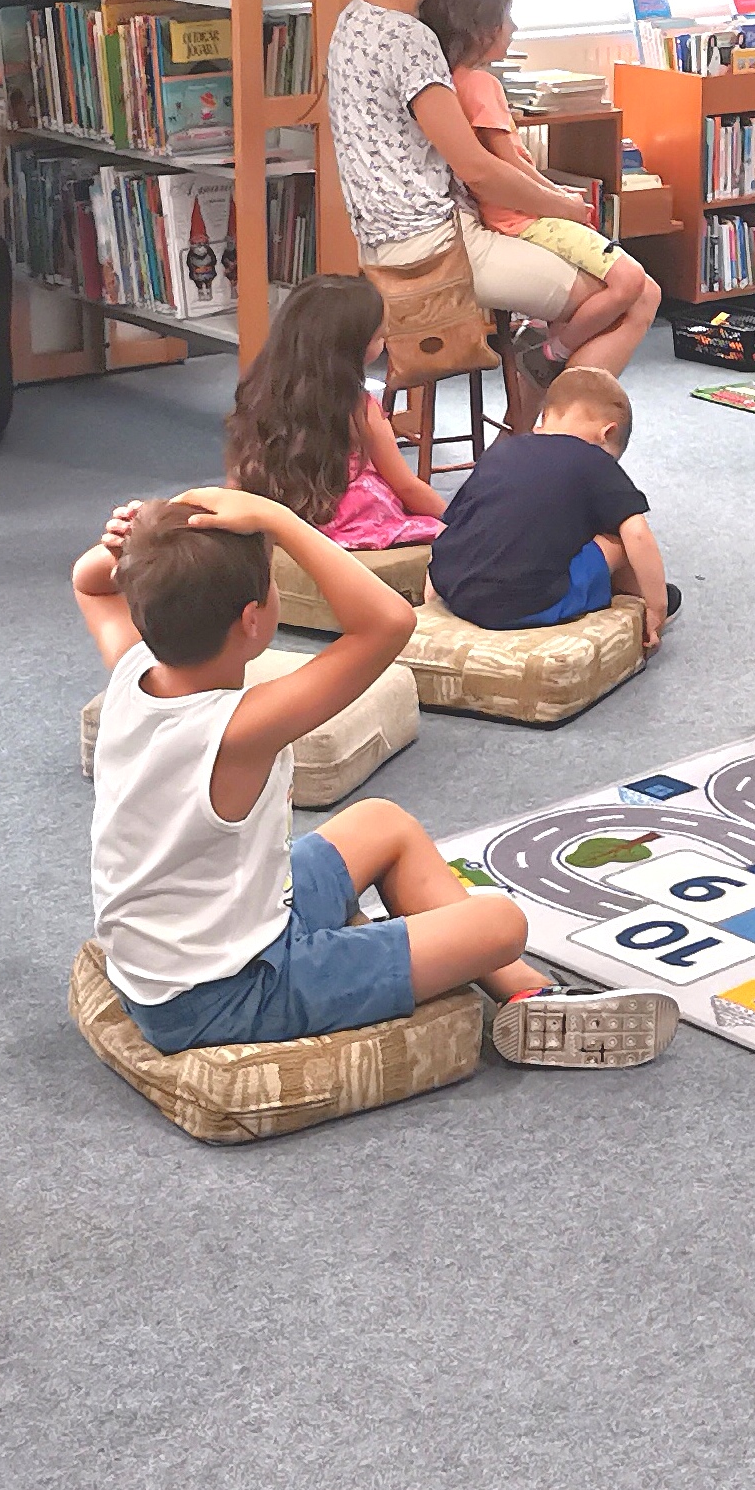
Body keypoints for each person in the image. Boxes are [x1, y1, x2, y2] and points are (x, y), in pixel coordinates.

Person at [72, 489, 678, 1069]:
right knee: (502, 925)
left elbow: (88, 582)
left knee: (381, 822)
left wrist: (136, 546)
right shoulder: (240, 729)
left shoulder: (133, 669)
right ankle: (483, 976)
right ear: (253, 620)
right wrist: (280, 520)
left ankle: (527, 996)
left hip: (188, 951)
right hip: (229, 991)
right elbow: (388, 623)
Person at [326, 0, 662, 379]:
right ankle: (554, 420)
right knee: (635, 294)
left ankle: (530, 408)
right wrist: (563, 206)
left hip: (385, 244)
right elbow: (478, 170)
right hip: (438, 249)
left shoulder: (355, 18)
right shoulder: (409, 39)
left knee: (598, 301)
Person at [418, 0, 646, 389]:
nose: (514, 27)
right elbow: (507, 162)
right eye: (507, 17)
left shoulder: (449, 84)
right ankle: (551, 351)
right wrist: (560, 200)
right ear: (481, 29)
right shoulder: (481, 85)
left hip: (508, 217)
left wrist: (554, 193)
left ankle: (547, 333)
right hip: (523, 217)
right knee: (630, 281)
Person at [426, 368, 672, 652]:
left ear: (544, 417)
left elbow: (448, 527)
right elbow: (637, 533)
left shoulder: (502, 451)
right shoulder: (596, 460)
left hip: (456, 592)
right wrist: (657, 607)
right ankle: (639, 596)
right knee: (618, 539)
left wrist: (434, 596)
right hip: (528, 603)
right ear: (607, 433)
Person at [224, 275, 444, 550]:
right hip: (351, 526)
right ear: (350, 349)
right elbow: (406, 486)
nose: (385, 342)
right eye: (380, 336)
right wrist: (456, 519)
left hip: (281, 523)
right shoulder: (359, 410)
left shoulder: (256, 393)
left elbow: (238, 473)